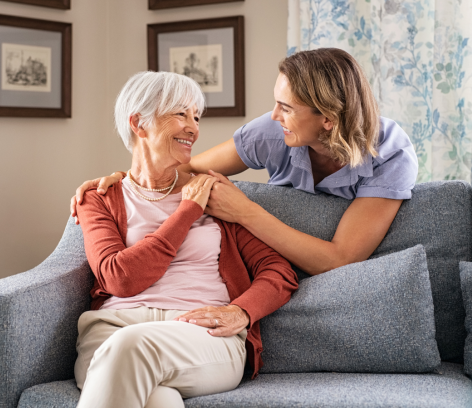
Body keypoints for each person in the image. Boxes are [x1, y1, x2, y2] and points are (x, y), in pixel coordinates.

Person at [71, 48, 419, 276]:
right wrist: (125, 178)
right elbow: (183, 170)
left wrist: (244, 211)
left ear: (327, 118)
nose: (273, 115)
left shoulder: (390, 153)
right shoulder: (271, 132)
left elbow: (341, 260)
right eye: (276, 102)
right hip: (270, 267)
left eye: (287, 108)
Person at [74, 71, 298, 408]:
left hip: (201, 334)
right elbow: (119, 278)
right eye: (181, 114)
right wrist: (186, 212)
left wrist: (241, 311)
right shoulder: (101, 197)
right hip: (113, 329)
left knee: (131, 347)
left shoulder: (216, 193)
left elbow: (278, 271)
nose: (193, 127)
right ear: (139, 123)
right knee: (159, 400)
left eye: (196, 116)